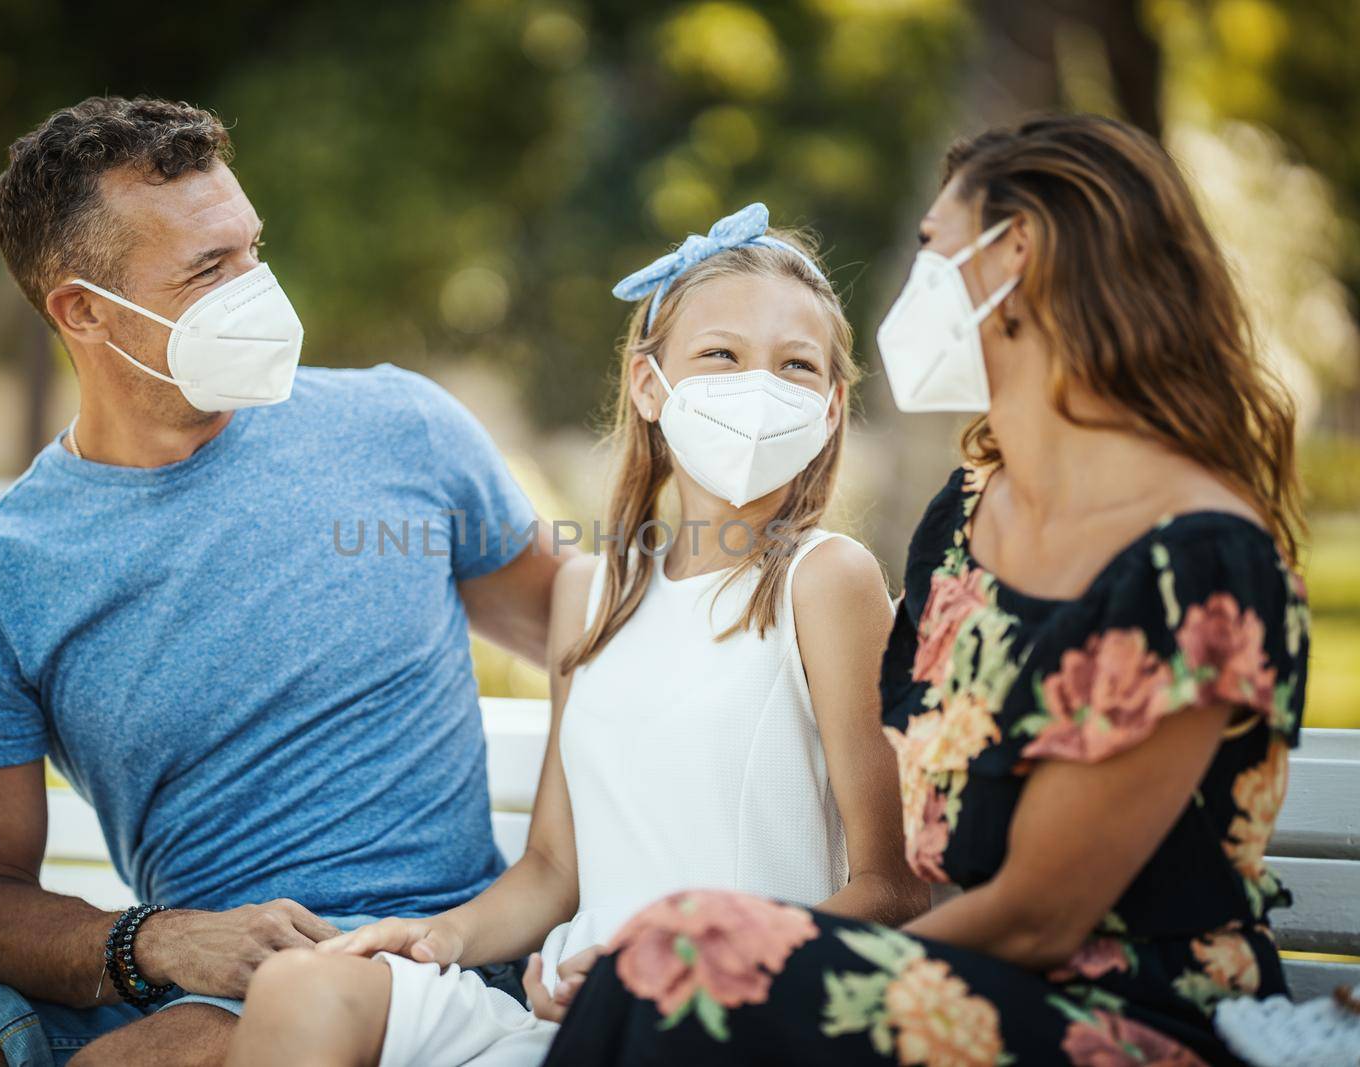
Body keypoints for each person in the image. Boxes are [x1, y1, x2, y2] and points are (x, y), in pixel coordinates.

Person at [0, 96, 568, 1067]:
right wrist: (165, 940)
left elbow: (589, 629)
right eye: (208, 269)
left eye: (251, 250)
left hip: (418, 979)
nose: (257, 290)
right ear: (83, 312)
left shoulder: (401, 428)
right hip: (162, 989)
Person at [541, 114, 1310, 1066]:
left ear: (1015, 257)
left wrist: (759, 957)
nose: (911, 290)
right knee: (669, 967)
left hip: (1131, 1015)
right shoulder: (964, 522)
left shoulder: (1196, 560)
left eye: (934, 250)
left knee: (684, 959)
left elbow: (1038, 918)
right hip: (948, 986)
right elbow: (905, 824)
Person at [223, 203, 931, 1067]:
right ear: (647, 383)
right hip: (566, 1017)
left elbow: (893, 890)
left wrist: (678, 960)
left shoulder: (827, 579)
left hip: (731, 1020)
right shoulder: (589, 590)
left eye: (796, 365)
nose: (760, 386)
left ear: (828, 407)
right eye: (721, 355)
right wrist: (437, 937)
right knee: (304, 987)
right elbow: (554, 867)